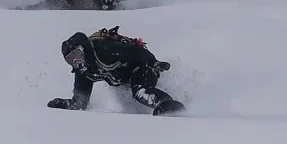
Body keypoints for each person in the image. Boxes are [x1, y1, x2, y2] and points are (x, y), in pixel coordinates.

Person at [47, 27, 184, 115]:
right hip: (124, 78)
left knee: (140, 92)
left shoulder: (104, 50)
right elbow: (80, 103)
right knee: (135, 93)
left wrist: (154, 62)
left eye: (76, 55)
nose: (76, 61)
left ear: (83, 49)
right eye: (70, 60)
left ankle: (168, 105)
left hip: (141, 66)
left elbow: (137, 51)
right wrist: (63, 104)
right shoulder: (84, 72)